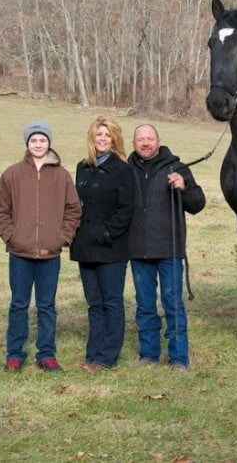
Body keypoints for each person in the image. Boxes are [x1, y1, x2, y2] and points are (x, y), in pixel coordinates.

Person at [0, 120, 81, 372]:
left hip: (50, 254)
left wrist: (62, 237)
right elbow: (0, 211)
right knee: (19, 304)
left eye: (42, 140)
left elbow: (73, 209)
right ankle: (15, 353)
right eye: (33, 140)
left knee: (47, 306)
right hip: (20, 253)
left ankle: (47, 353)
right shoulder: (12, 174)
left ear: (49, 143)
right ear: (27, 144)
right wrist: (12, 236)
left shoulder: (62, 176)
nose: (38, 144)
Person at [128, 124, 205, 369]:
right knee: (145, 305)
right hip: (139, 249)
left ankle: (178, 358)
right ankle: (149, 354)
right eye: (141, 139)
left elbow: (198, 203)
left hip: (169, 249)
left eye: (150, 138)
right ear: (134, 143)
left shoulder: (176, 167)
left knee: (172, 302)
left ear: (159, 141)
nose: (145, 143)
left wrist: (184, 187)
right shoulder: (126, 169)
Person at [70, 117, 134, 372]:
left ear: (115, 139)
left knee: (112, 302)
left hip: (111, 248)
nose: (103, 139)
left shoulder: (123, 170)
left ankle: (107, 356)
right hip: (85, 246)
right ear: (92, 138)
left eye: (108, 135)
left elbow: (126, 208)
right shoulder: (82, 167)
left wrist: (107, 233)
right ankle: (92, 353)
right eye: (99, 135)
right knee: (94, 303)